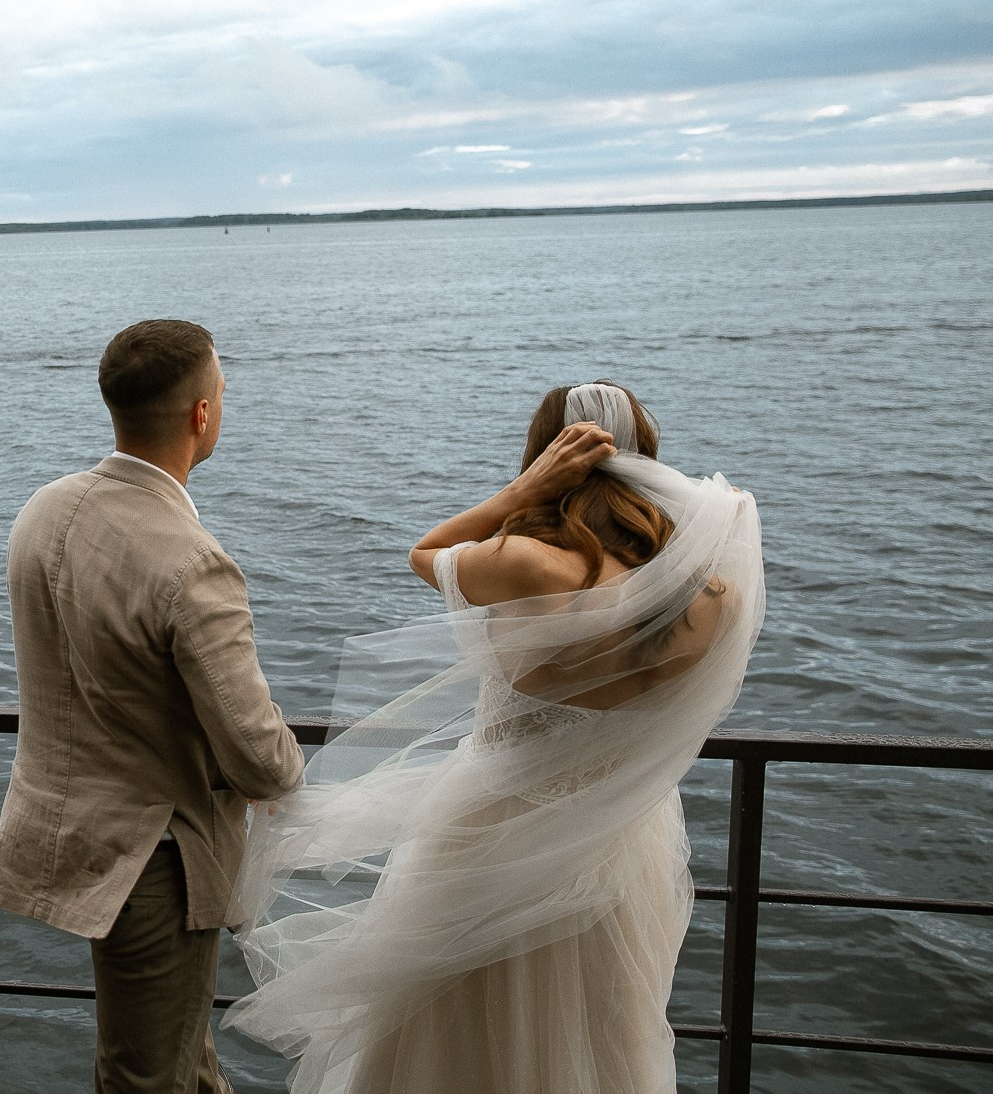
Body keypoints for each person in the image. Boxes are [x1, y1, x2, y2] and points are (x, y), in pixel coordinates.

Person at [224, 382, 765, 1094]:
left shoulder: (526, 563)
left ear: (548, 457)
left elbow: (426, 552)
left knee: (454, 1038)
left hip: (490, 830)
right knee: (595, 1033)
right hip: (619, 842)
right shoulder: (711, 597)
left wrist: (522, 491)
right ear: (648, 462)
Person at [0, 319, 307, 1094]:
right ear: (201, 414)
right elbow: (256, 752)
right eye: (222, 391)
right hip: (156, 859)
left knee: (179, 1058)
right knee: (147, 1075)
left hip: (72, 827)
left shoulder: (44, 509)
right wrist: (295, 773)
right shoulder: (192, 562)